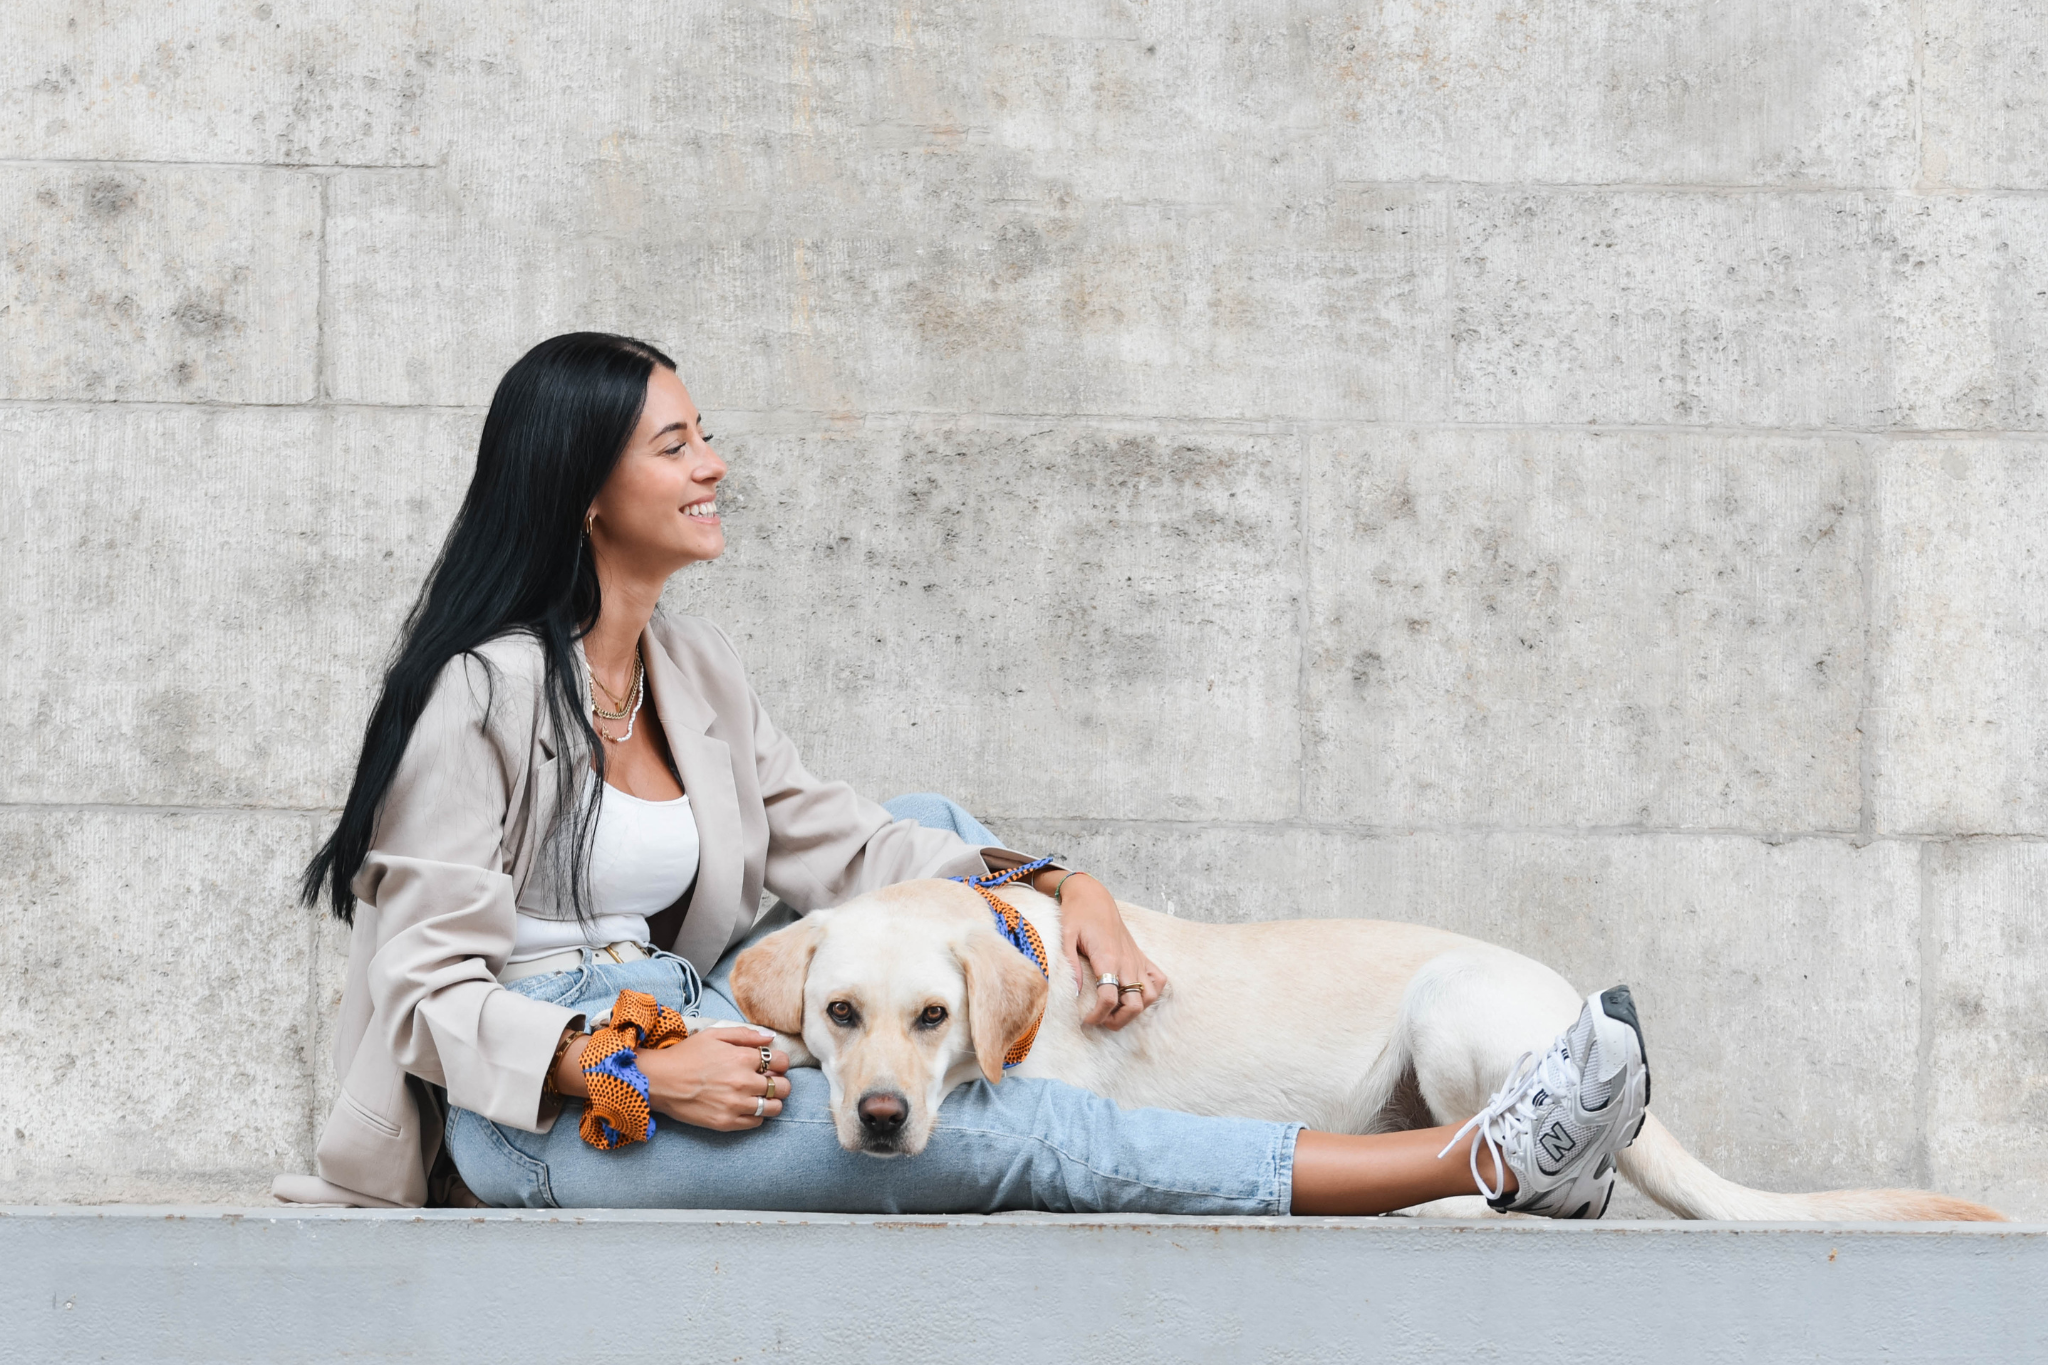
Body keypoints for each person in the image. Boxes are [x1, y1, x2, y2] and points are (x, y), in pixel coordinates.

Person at [274, 332, 1649, 1218]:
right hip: (542, 1105)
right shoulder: (483, 693)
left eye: (704, 437)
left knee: (932, 840)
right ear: (585, 490)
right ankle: (1466, 1160)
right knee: (994, 1143)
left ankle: (1041, 1003)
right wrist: (628, 1072)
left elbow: (858, 844)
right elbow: (424, 996)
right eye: (677, 446)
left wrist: (1065, 885)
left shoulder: (690, 677)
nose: (716, 465)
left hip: (687, 1018)